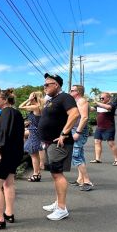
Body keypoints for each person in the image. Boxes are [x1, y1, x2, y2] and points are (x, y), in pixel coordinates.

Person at [37, 73, 80, 221]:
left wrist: (64, 133)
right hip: (50, 142)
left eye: (47, 84)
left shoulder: (65, 97)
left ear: (56, 85)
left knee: (58, 174)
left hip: (59, 142)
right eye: (44, 85)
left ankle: (62, 208)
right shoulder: (52, 100)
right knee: (55, 174)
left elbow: (74, 114)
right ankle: (58, 203)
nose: (44, 87)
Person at [0, 88, 25, 229]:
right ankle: (9, 213)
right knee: (8, 183)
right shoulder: (16, 113)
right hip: (14, 154)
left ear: (5, 100)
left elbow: (4, 133)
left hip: (5, 154)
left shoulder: (7, 112)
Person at [68, 84, 93, 190]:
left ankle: (87, 181)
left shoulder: (81, 101)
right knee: (80, 155)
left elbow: (84, 117)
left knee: (76, 155)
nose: (70, 91)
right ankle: (80, 179)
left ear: (77, 92)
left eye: (72, 90)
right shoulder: (77, 102)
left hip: (79, 130)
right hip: (75, 129)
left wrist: (78, 132)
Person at [18, 90, 44, 181]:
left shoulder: (35, 107)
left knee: (33, 154)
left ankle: (36, 174)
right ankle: (37, 173)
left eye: (31, 97)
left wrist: (28, 100)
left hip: (34, 133)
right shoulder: (39, 107)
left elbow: (20, 107)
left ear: (34, 97)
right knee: (35, 154)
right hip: (35, 131)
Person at [91, 92, 117, 166]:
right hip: (99, 127)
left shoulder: (111, 105)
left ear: (108, 98)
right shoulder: (99, 105)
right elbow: (91, 109)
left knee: (111, 143)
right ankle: (97, 159)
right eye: (100, 98)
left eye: (102, 98)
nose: (101, 99)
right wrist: (83, 104)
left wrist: (97, 102)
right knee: (97, 142)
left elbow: (108, 108)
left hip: (109, 127)